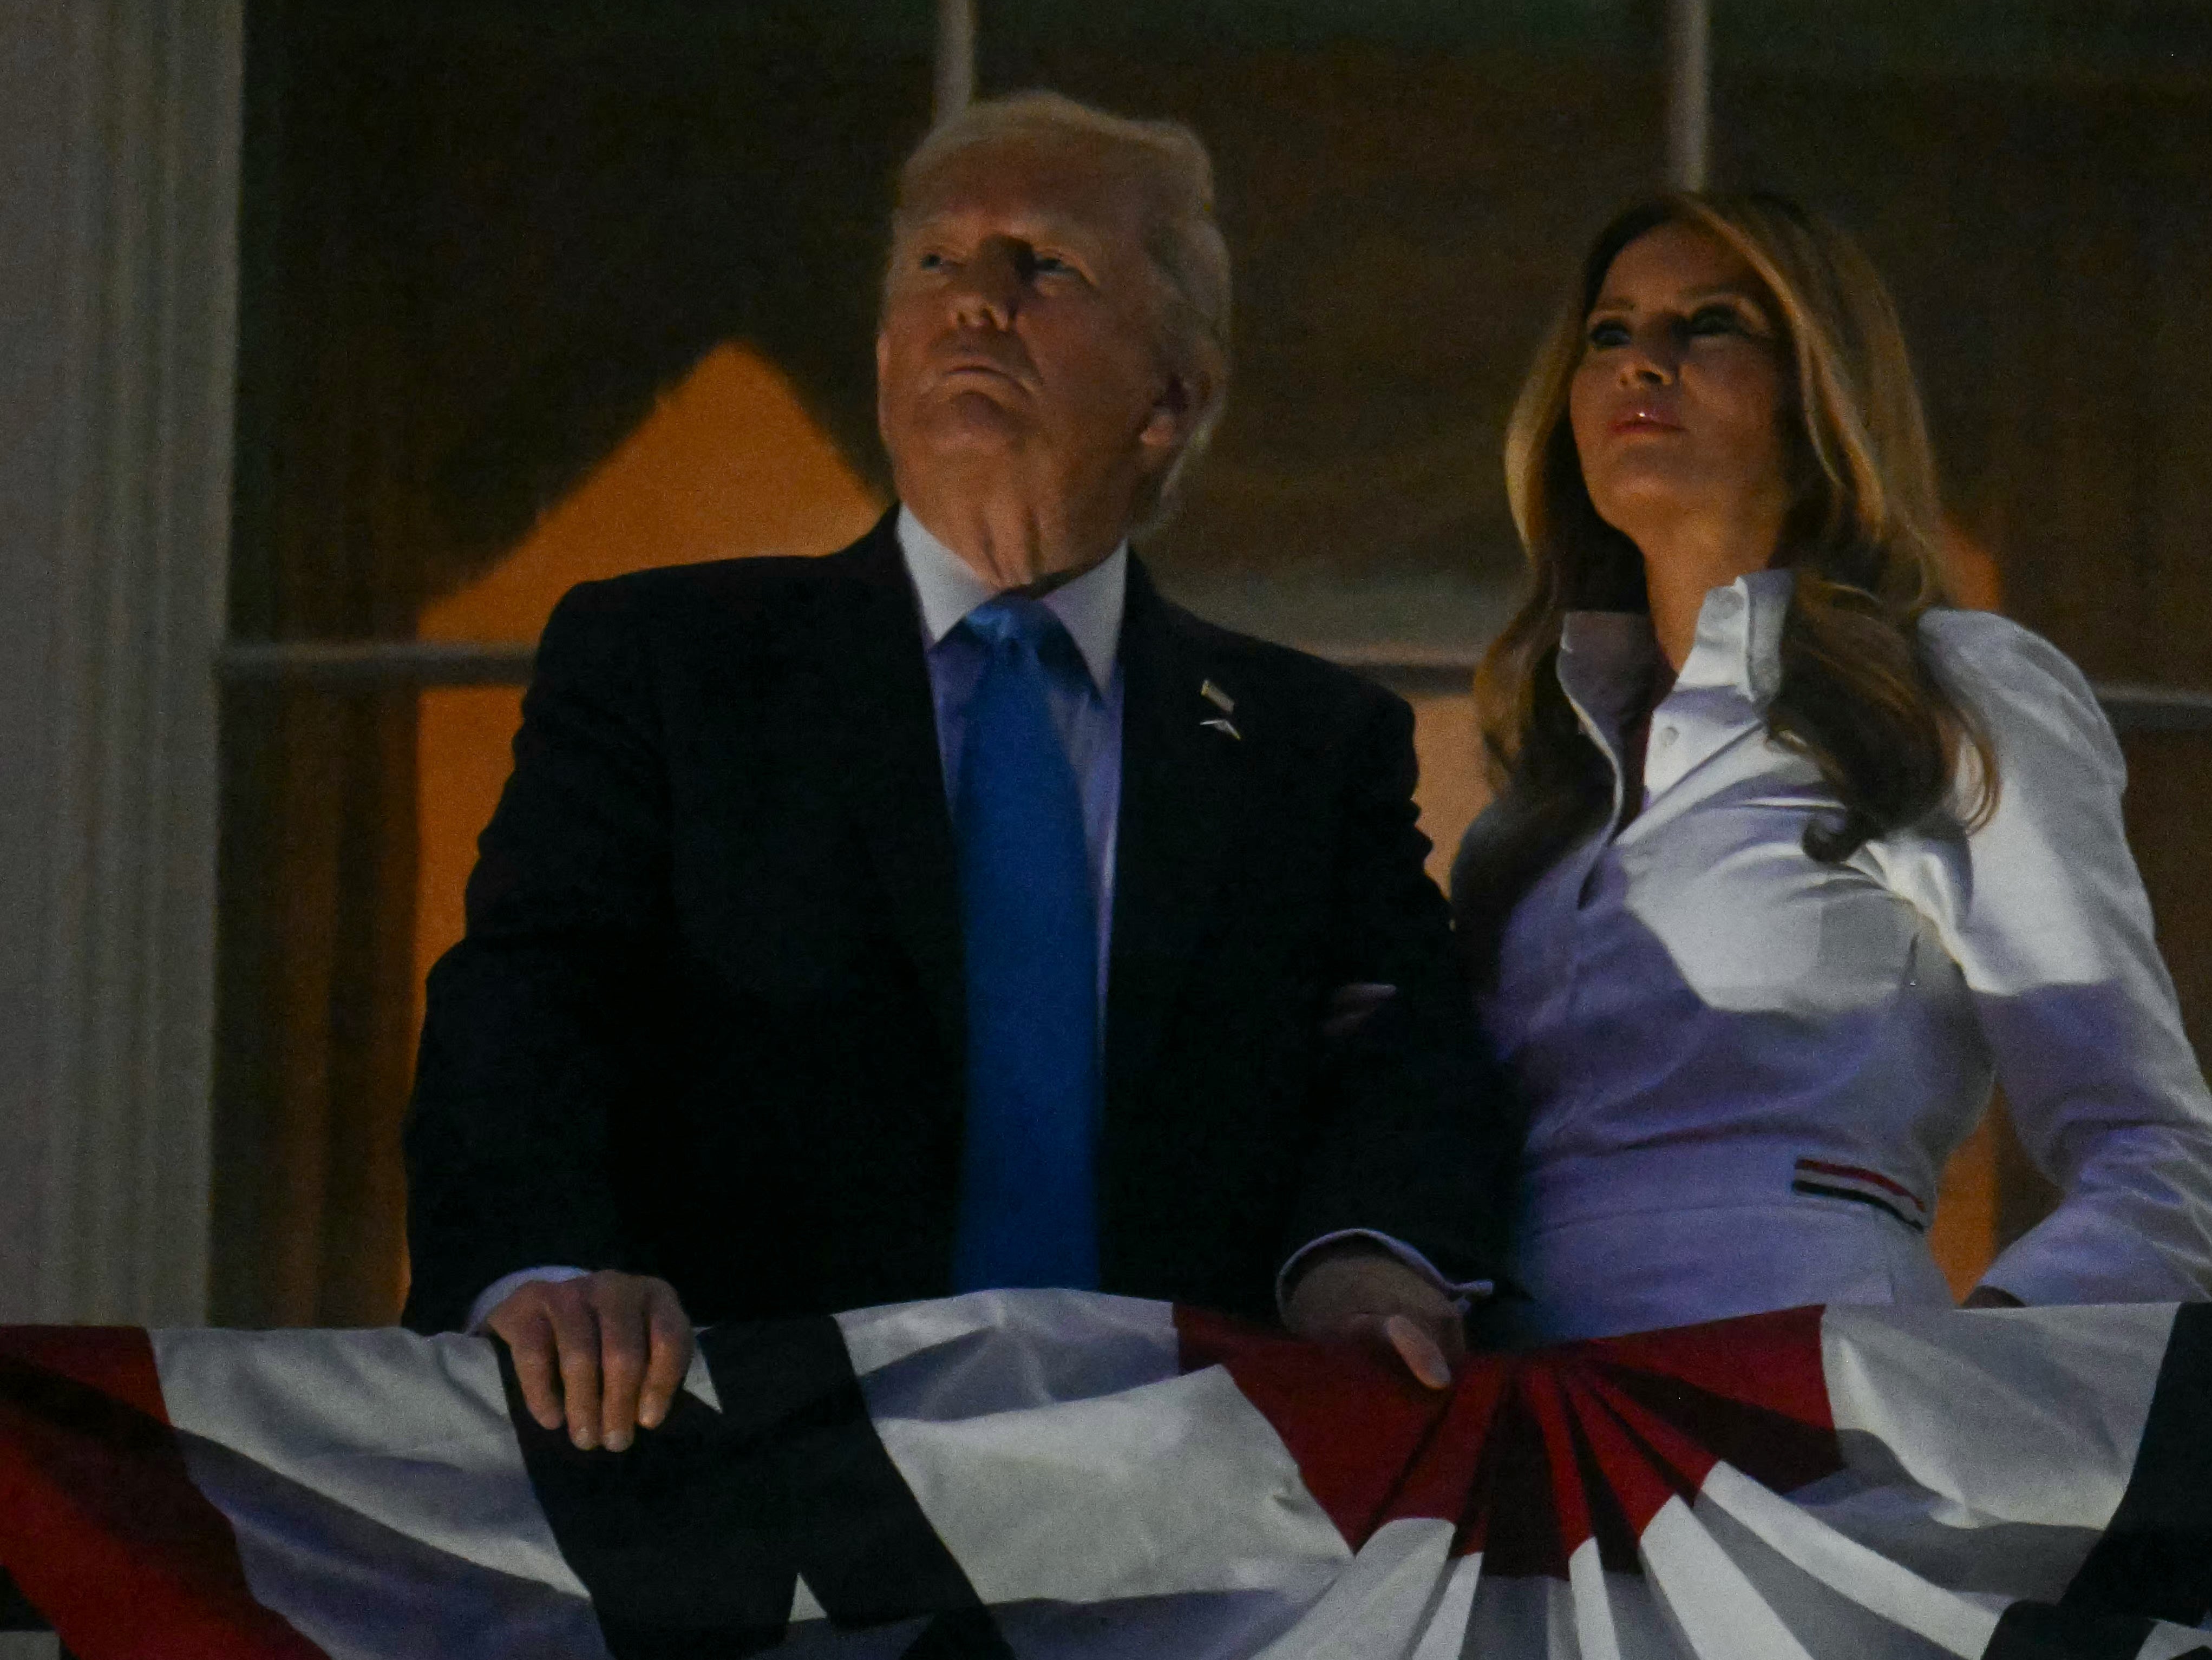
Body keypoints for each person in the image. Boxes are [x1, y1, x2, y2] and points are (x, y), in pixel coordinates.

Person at [402, 93, 1519, 1449]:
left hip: (1180, 1512)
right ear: (884, 357)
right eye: (937, 264)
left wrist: (1363, 1255)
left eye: (1044, 266)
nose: (975, 303)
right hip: (749, 1484)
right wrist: (550, 1265)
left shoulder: (1306, 742)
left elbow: (1408, 1056)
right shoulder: (669, 662)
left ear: (1173, 397)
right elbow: (530, 997)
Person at [1451, 192, 2212, 1346]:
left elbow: (2156, 1148)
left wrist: (1986, 1373)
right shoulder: (1536, 802)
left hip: (1804, 1421)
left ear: (1822, 386)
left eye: (1707, 325)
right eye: (1608, 335)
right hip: (1514, 1431)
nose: (1644, 366)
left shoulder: (1941, 695)